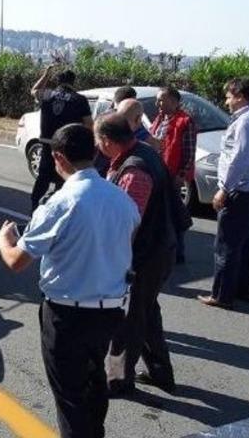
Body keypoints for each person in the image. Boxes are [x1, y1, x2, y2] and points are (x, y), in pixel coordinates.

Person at [0, 124, 140, 438]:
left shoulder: (60, 203)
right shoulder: (122, 200)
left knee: (70, 396)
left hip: (67, 315)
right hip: (110, 311)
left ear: (59, 158)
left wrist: (4, 240)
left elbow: (16, 261)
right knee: (93, 379)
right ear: (96, 151)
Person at [95, 113, 178, 396]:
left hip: (145, 254)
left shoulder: (134, 171)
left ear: (107, 140)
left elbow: (128, 224)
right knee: (147, 313)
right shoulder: (141, 153)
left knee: (128, 318)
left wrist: (113, 261)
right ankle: (161, 373)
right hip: (158, 247)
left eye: (98, 140)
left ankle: (118, 380)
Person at [199, 78, 249, 309]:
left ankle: (222, 295)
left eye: (229, 97)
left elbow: (239, 159)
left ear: (240, 96)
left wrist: (224, 189)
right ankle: (243, 290)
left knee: (227, 244)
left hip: (242, 189)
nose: (227, 101)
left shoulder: (245, 122)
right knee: (247, 242)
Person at [30, 67, 93, 210]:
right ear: (73, 82)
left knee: (43, 178)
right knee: (63, 178)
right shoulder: (79, 99)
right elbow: (89, 124)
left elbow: (34, 90)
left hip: (47, 144)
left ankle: (34, 207)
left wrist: (46, 74)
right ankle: (58, 209)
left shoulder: (47, 95)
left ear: (58, 82)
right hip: (67, 145)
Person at [149, 86, 196, 263]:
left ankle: (177, 252)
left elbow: (189, 153)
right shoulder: (160, 118)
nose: (157, 103)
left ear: (174, 101)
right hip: (156, 173)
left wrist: (180, 176)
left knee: (173, 215)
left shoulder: (185, 121)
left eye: (161, 99)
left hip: (172, 176)